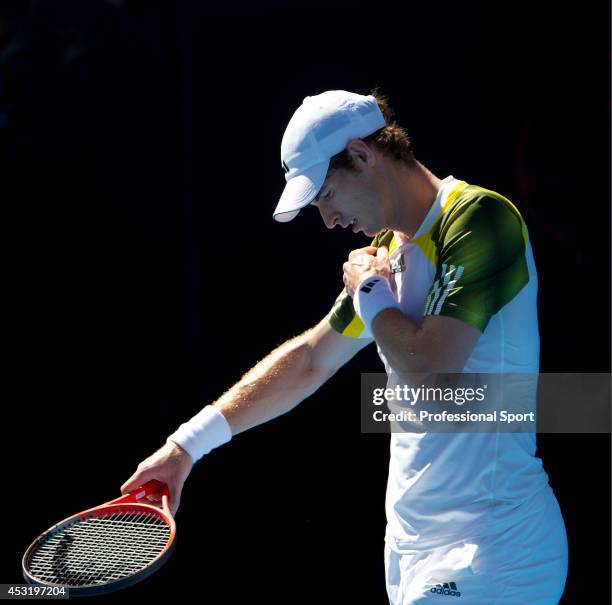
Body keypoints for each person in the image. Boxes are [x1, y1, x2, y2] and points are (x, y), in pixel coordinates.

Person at [121, 90, 568, 604]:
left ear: (361, 155)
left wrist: (373, 295)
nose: (329, 221)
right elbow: (311, 359)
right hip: (409, 553)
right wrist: (186, 446)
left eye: (327, 195)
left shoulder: (479, 218)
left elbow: (429, 368)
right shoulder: (385, 256)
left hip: (496, 550)